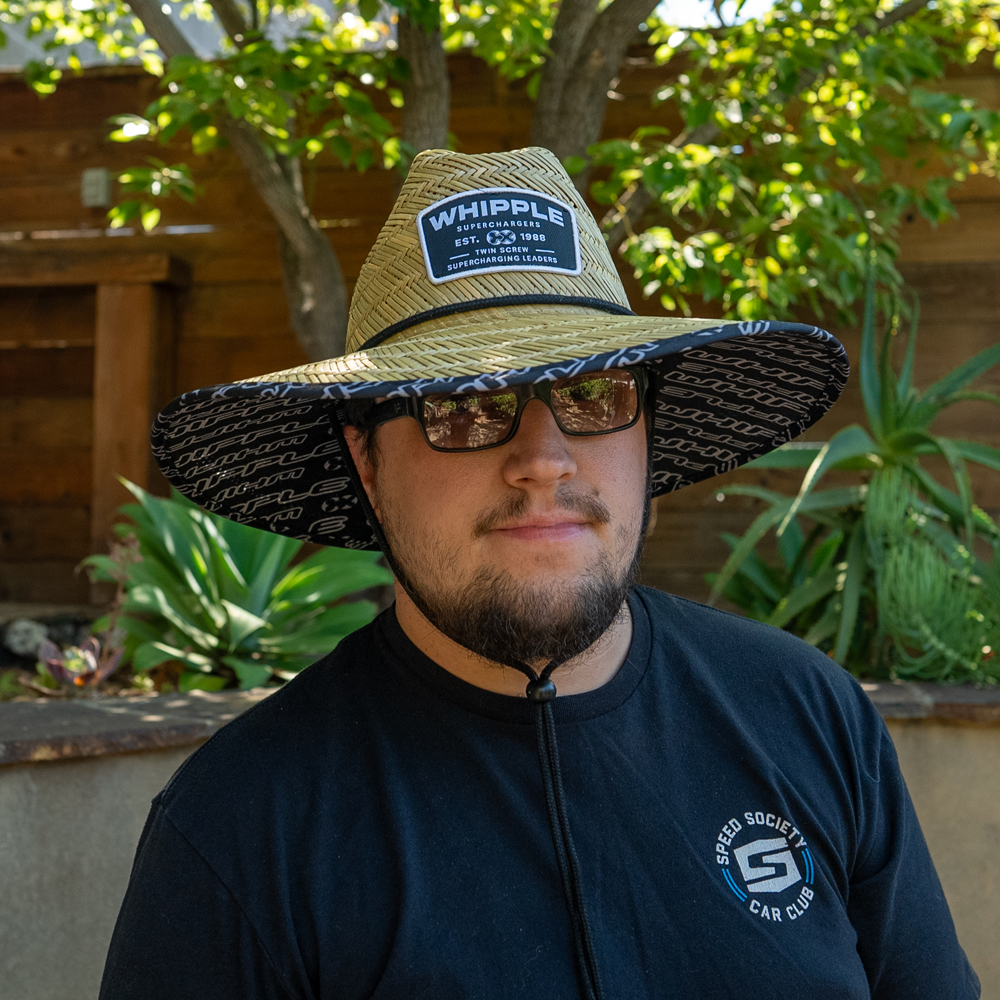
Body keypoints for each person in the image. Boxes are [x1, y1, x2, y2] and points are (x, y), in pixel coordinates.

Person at [101, 148, 978, 1000]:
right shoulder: (243, 828)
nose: (544, 460)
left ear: (647, 430)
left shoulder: (807, 716)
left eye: (595, 393)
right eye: (462, 405)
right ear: (366, 461)